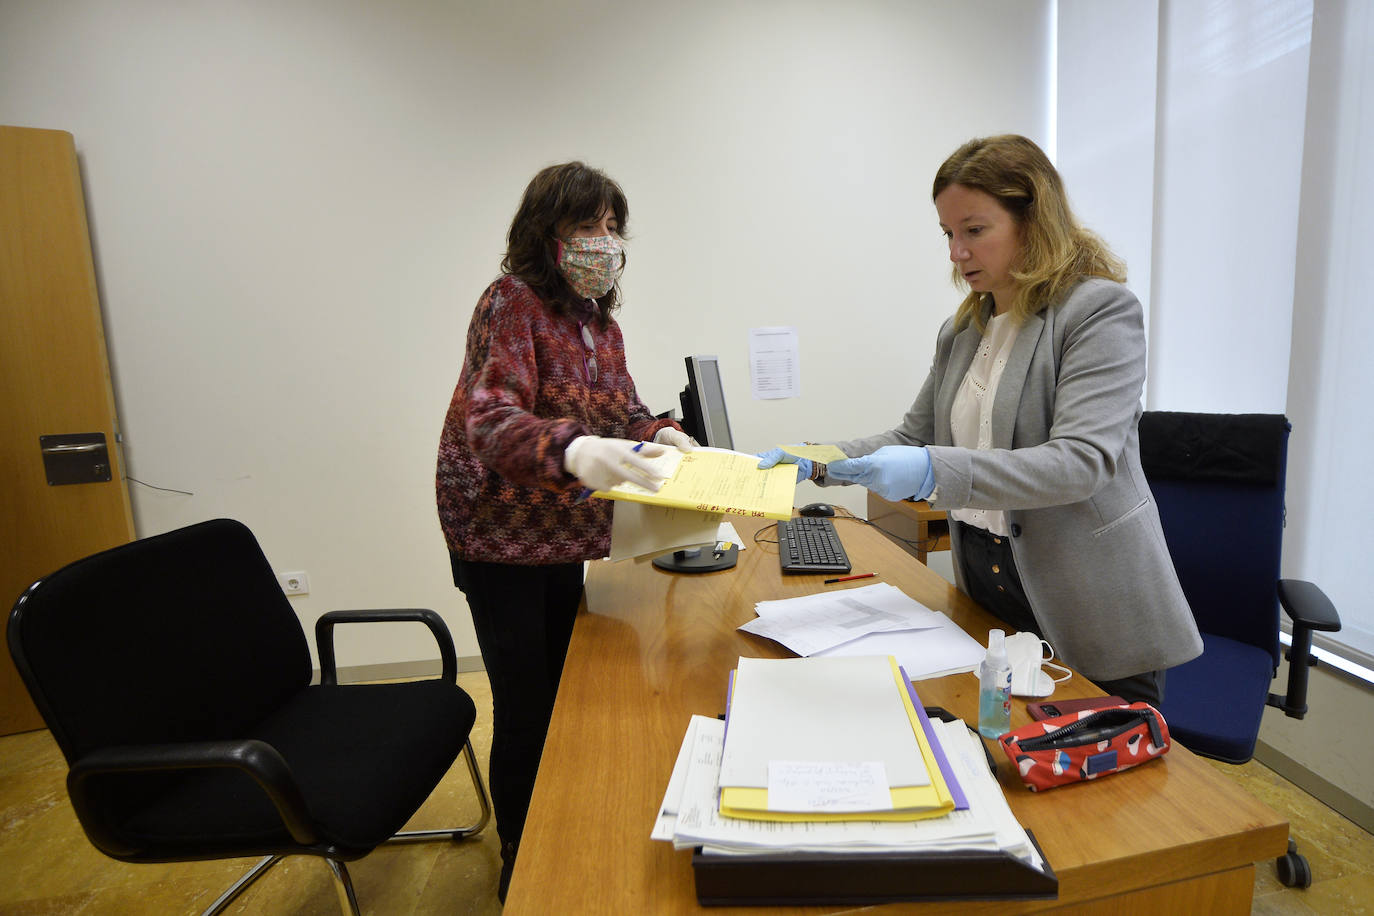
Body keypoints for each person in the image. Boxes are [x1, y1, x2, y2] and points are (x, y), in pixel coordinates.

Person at [760, 134, 1200, 706]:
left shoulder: (1097, 311)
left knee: (1098, 784)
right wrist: (819, 460)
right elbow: (912, 438)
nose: (955, 253)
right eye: (947, 233)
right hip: (990, 580)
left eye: (974, 230)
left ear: (1032, 220)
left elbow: (1081, 463)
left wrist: (930, 472)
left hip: (1085, 594)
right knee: (1001, 754)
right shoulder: (965, 329)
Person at [436, 161, 692, 900]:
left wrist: (666, 433)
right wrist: (573, 450)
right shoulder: (511, 303)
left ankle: (562, 830)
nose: (603, 243)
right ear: (545, 235)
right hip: (497, 534)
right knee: (527, 706)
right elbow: (489, 422)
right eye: (586, 227)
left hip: (559, 531)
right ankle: (523, 858)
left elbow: (623, 409)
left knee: (567, 693)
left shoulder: (597, 322)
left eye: (612, 229)